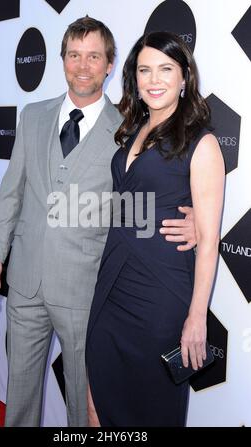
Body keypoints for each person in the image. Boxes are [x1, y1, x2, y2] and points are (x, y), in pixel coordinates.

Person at [0, 18, 196, 427]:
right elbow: (11, 192)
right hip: (24, 281)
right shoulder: (33, 116)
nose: (83, 66)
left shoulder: (131, 130)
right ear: (62, 60)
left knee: (85, 404)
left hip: (87, 290)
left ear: (111, 64)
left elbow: (146, 202)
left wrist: (196, 225)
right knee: (19, 394)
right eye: (74, 56)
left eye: (94, 56)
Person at [86, 31, 225, 427]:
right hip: (111, 284)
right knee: (97, 401)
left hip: (159, 296)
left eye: (166, 69)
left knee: (150, 409)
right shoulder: (132, 129)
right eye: (145, 70)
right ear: (135, 78)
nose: (154, 79)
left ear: (184, 78)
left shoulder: (202, 143)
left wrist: (197, 317)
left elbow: (210, 241)